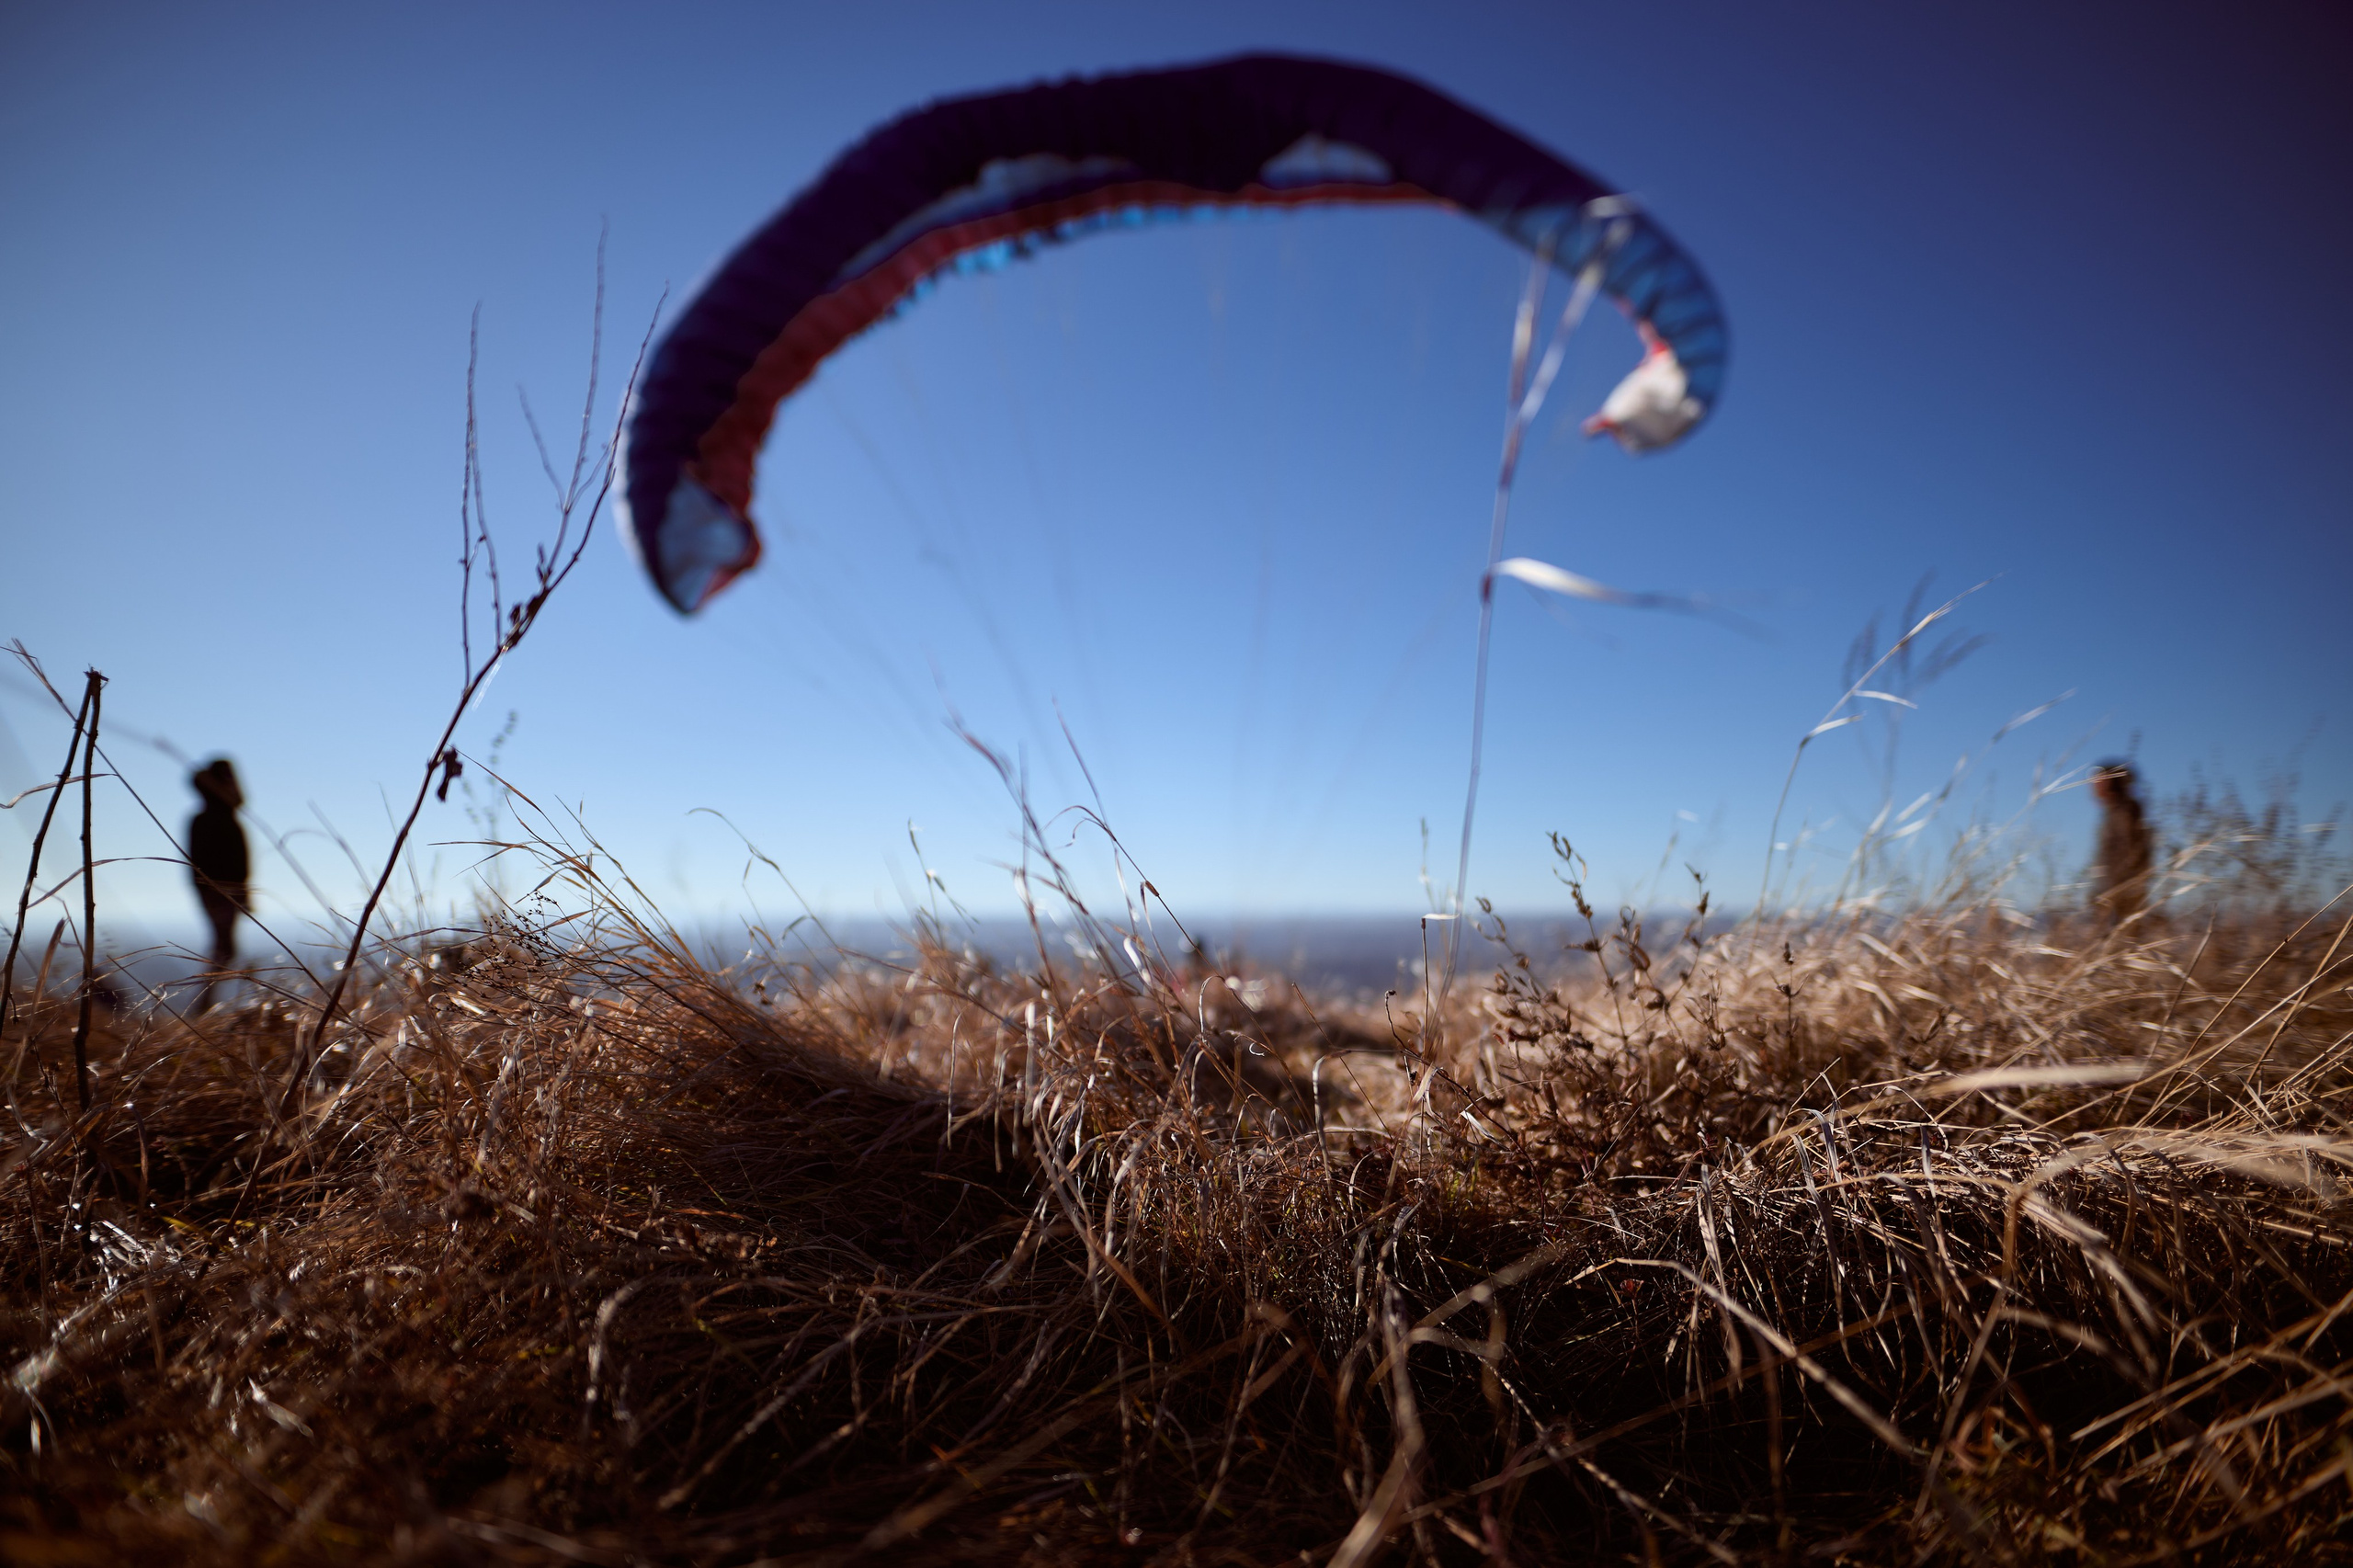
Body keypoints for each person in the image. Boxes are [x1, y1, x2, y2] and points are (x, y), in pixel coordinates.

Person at [188, 759, 250, 1013]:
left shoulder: (223, 817)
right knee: (225, 948)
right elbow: (200, 868)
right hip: (218, 894)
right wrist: (217, 894)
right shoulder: (209, 819)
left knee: (225, 949)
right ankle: (202, 1008)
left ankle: (203, 1006)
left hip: (225, 893)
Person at [2090, 759, 2153, 929]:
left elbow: (2133, 852)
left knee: (2123, 943)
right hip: (2113, 891)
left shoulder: (2126, 811)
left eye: (2099, 780)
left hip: (2122, 892)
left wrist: (2119, 889)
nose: (2094, 786)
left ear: (2112, 783)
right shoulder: (2115, 812)